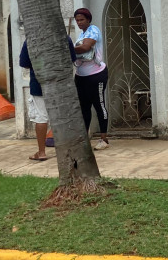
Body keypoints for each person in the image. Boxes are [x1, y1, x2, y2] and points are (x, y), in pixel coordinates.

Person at [19, 36, 76, 161]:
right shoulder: (63, 36)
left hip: (39, 84)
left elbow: (24, 63)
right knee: (64, 116)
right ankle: (68, 150)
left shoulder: (31, 39)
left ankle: (41, 152)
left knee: (41, 117)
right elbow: (72, 59)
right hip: (60, 83)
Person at [72, 8, 109, 150]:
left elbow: (86, 47)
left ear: (88, 19)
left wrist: (68, 48)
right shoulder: (81, 34)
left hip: (96, 75)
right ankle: (85, 138)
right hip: (81, 77)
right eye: (77, 20)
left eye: (81, 20)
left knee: (99, 105)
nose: (79, 22)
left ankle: (104, 139)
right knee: (84, 108)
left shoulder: (93, 30)